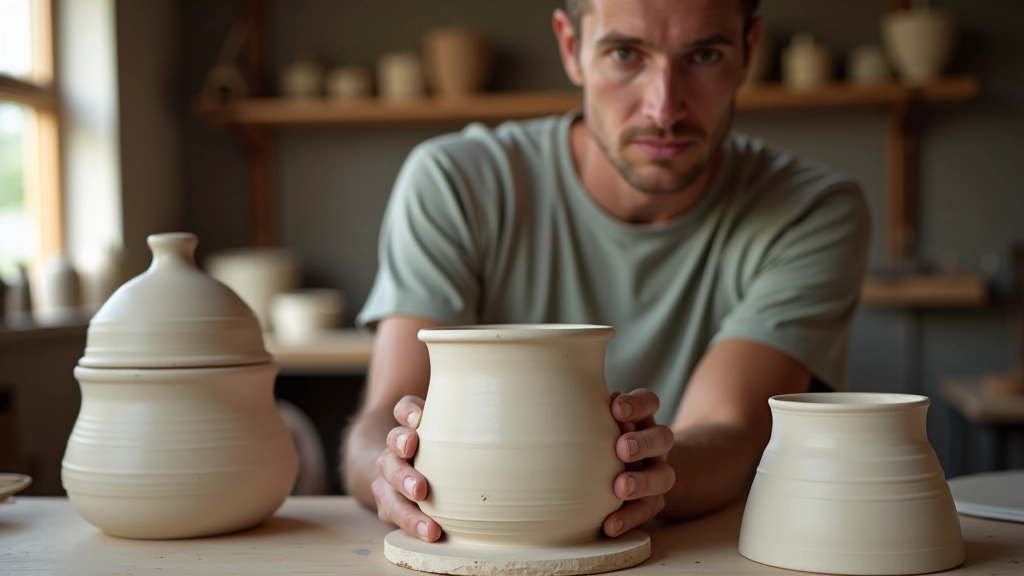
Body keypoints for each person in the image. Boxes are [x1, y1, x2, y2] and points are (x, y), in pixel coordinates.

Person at [342, 0, 870, 543]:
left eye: (705, 55)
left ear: (748, 50)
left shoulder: (813, 211)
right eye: (625, 53)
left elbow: (730, 432)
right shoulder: (456, 183)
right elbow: (386, 414)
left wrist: (613, 472)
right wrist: (388, 471)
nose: (664, 107)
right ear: (571, 46)